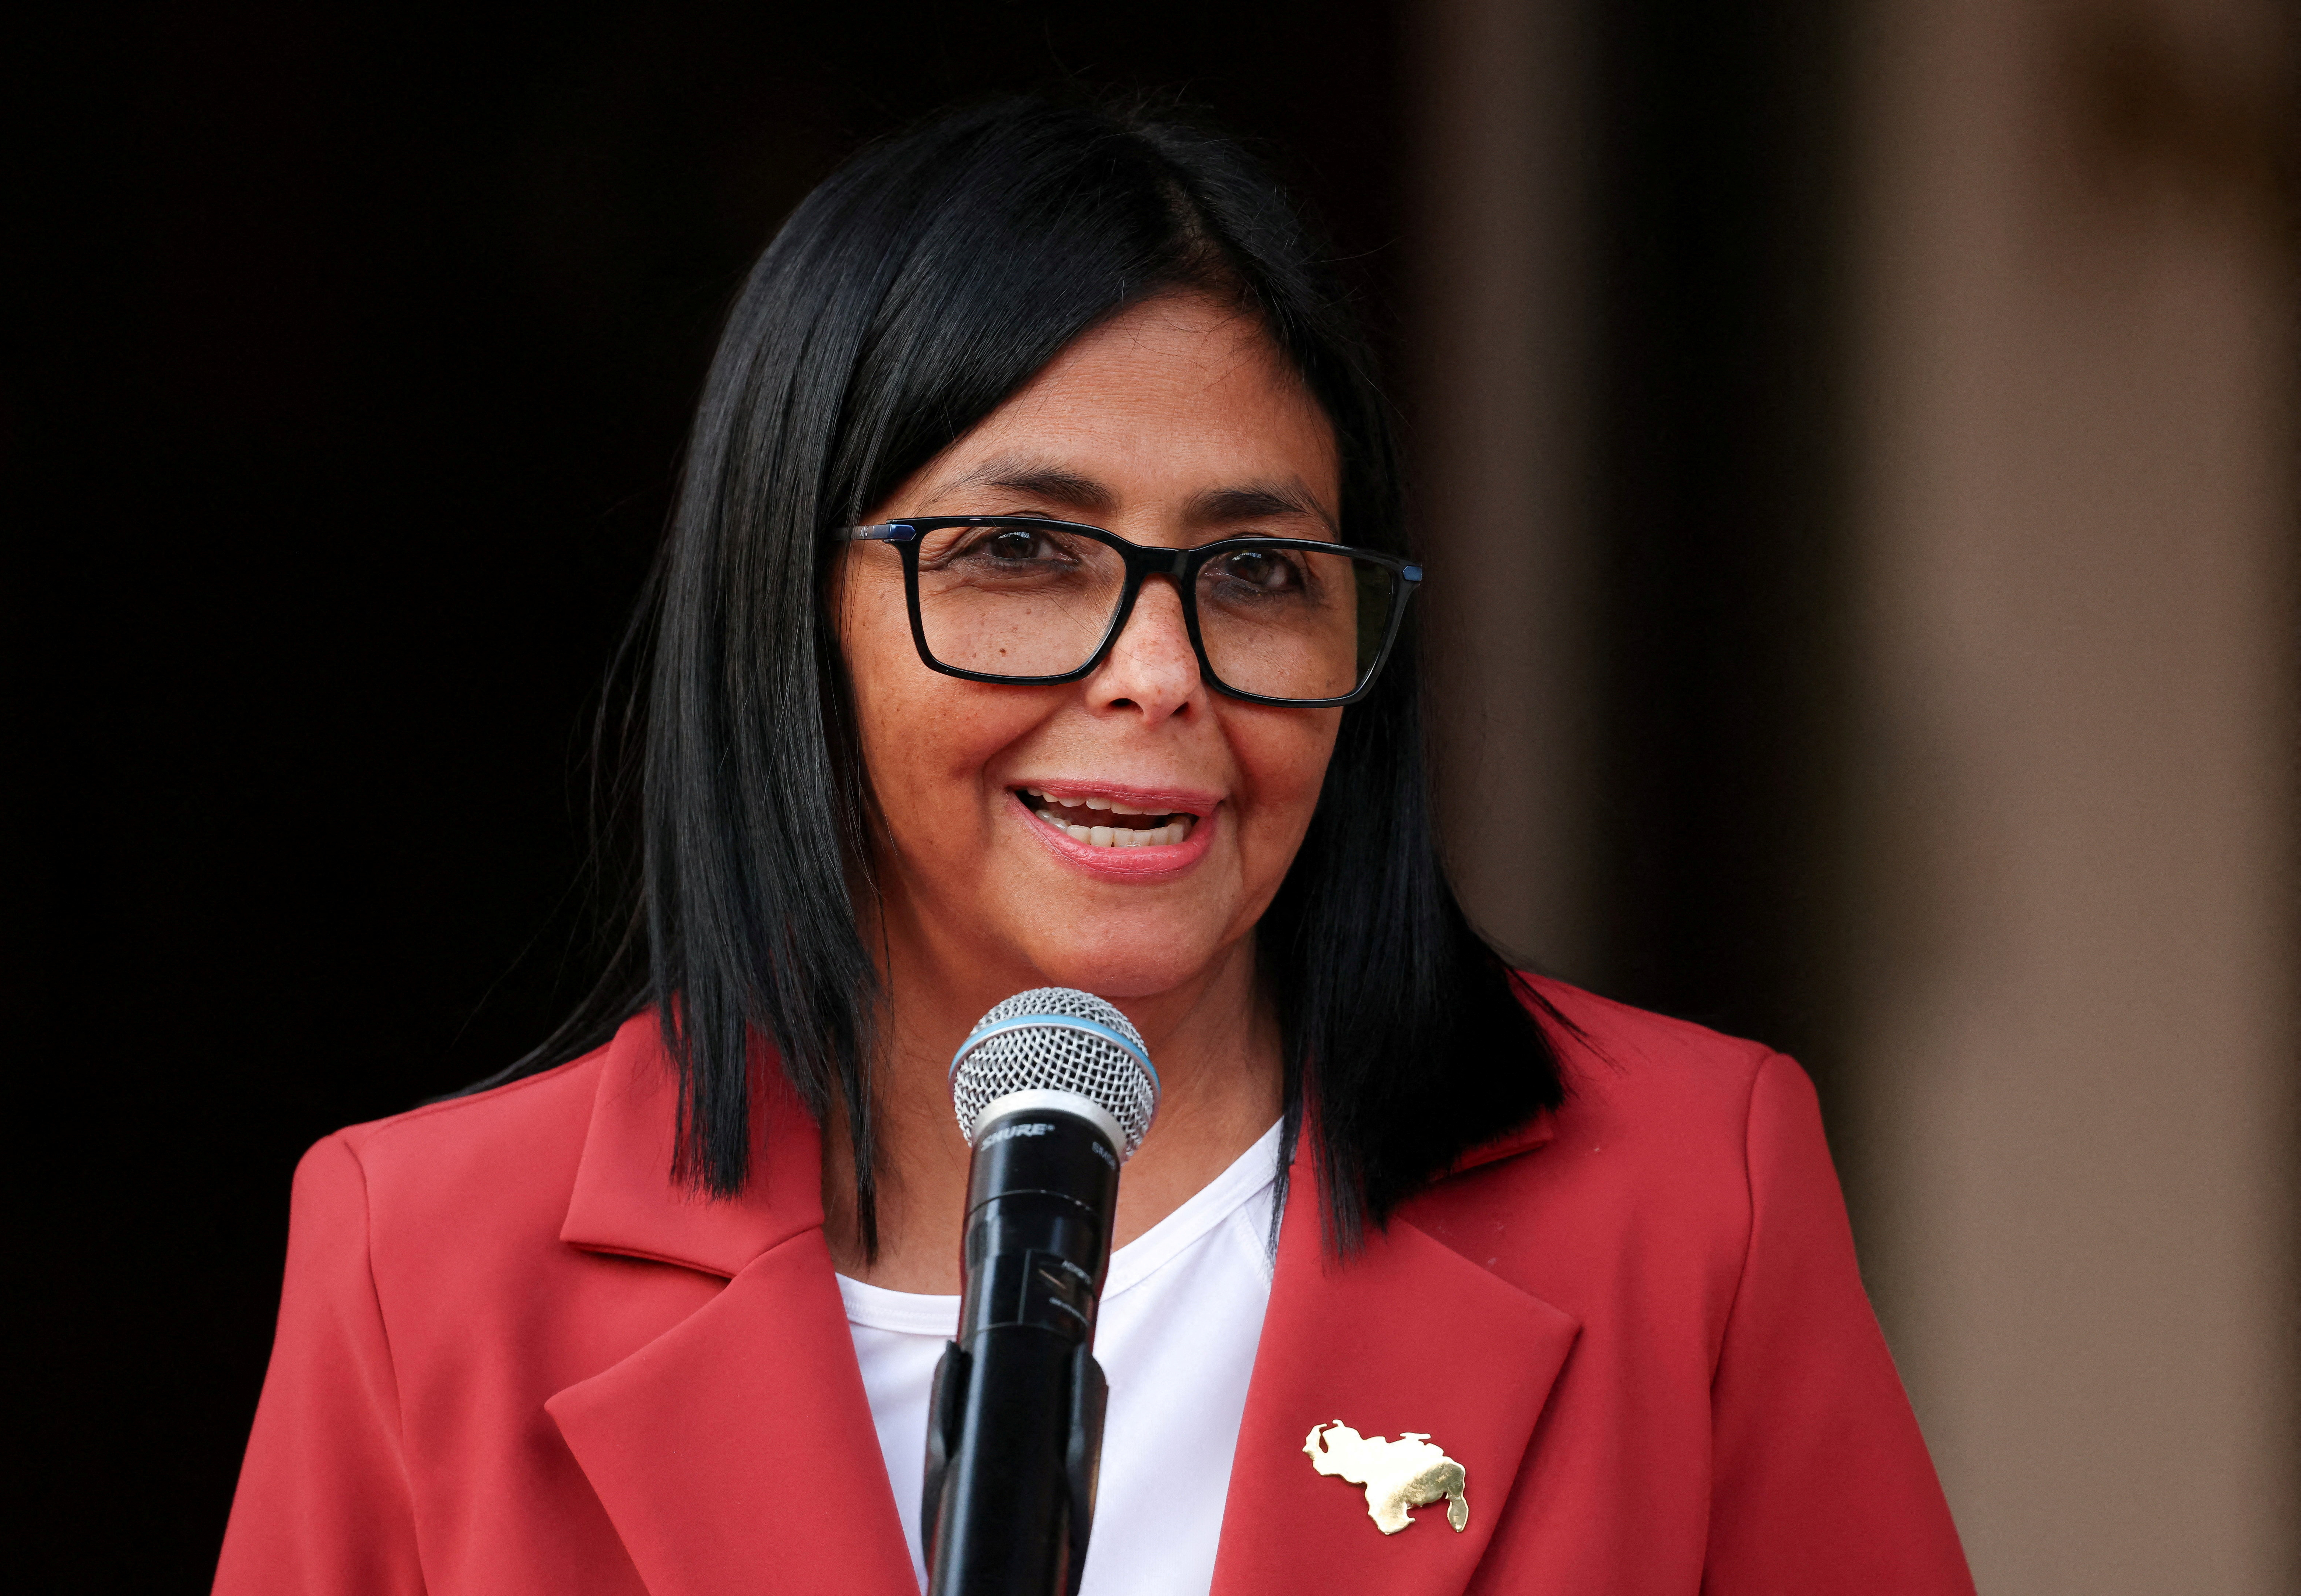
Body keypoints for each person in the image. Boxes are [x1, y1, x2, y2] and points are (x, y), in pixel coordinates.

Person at [214, 97, 1973, 1596]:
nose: (1155, 675)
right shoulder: (426, 1265)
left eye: (1259, 573)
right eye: (1018, 555)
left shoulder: (1681, 1197)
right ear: (790, 607)